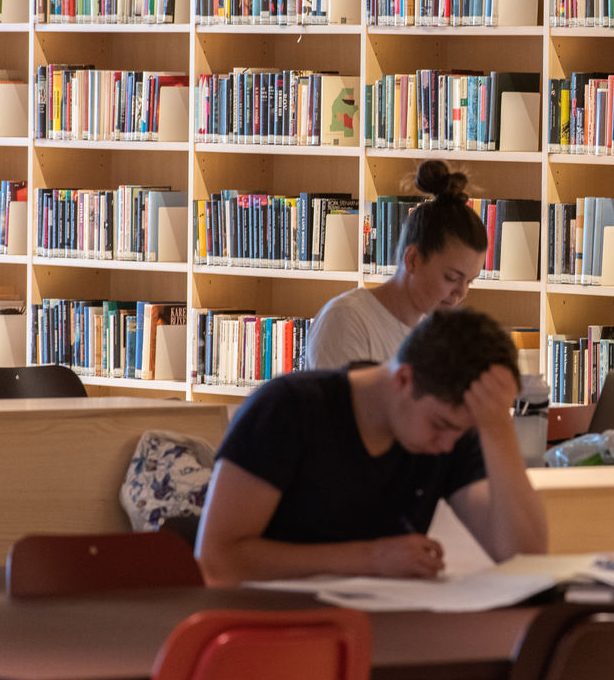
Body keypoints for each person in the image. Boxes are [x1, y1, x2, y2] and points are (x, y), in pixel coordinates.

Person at [195, 307, 548, 586]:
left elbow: (524, 558)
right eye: (441, 426)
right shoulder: (287, 408)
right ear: (404, 379)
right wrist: (373, 558)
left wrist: (497, 428)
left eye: (462, 431)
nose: (447, 445)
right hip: (269, 631)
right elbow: (217, 559)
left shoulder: (449, 429)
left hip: (386, 632)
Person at [304, 159, 488, 369]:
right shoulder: (346, 320)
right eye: (452, 277)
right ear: (413, 260)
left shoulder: (433, 334)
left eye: (469, 282)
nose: (461, 292)